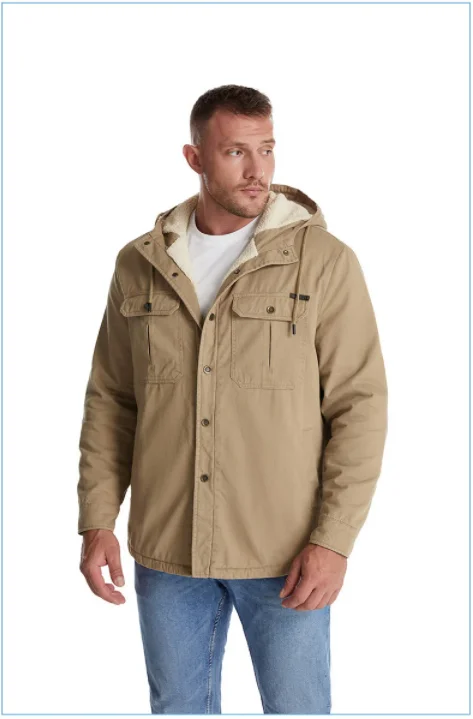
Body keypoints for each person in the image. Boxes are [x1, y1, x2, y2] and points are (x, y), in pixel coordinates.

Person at [77, 84, 388, 714]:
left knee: (298, 709)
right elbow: (112, 402)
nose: (257, 170)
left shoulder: (323, 262)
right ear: (195, 158)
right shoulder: (138, 265)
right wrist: (97, 519)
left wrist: (333, 542)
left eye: (266, 149)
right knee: (178, 709)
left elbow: (359, 408)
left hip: (286, 553)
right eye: (235, 152)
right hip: (168, 549)